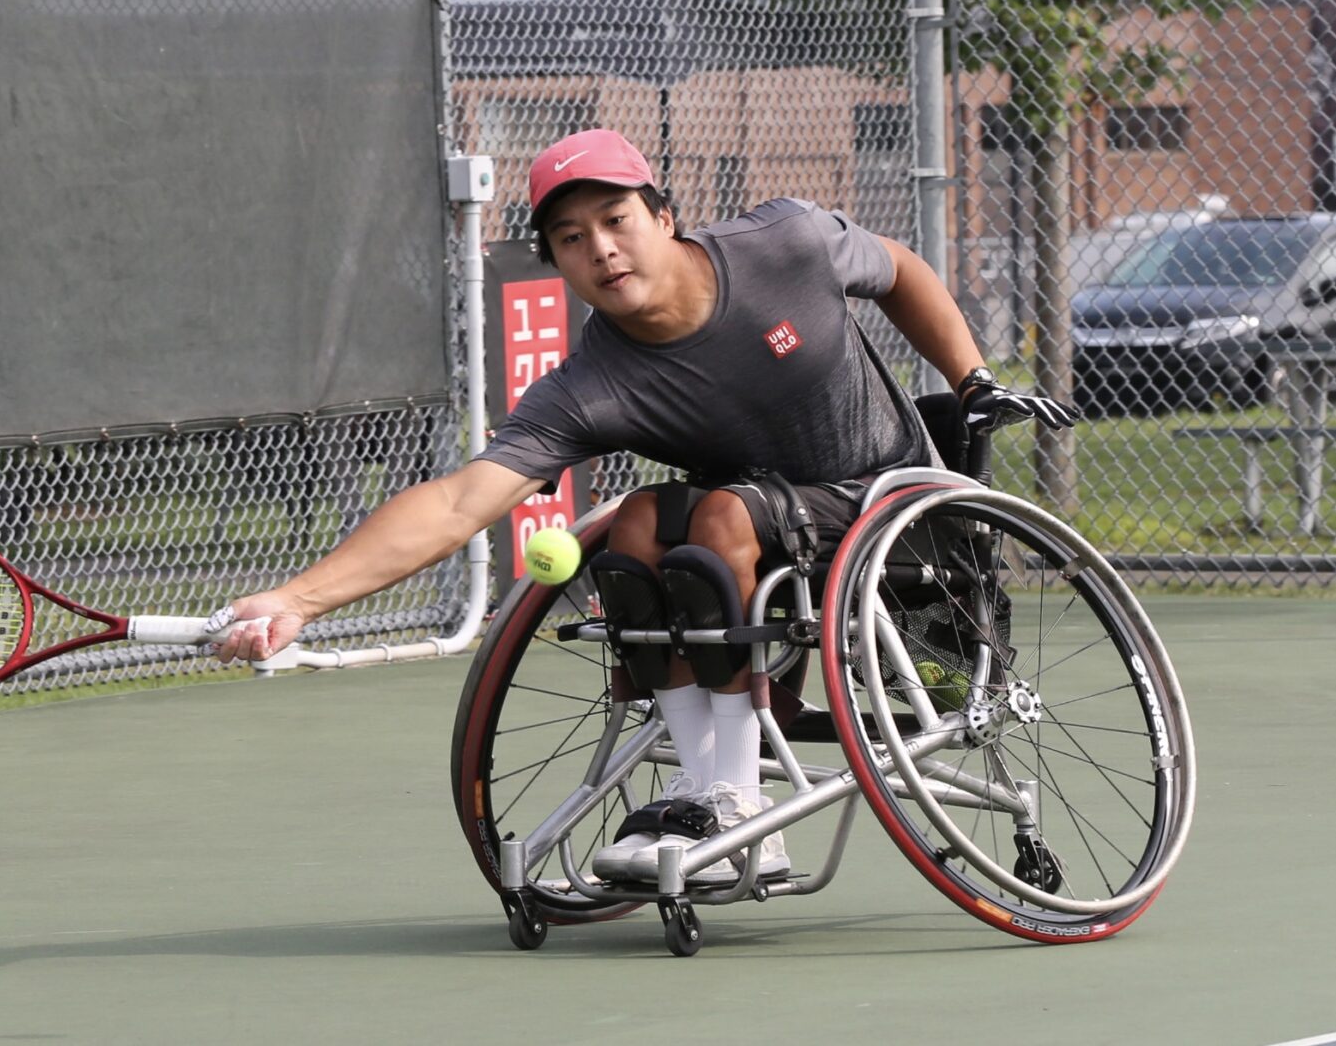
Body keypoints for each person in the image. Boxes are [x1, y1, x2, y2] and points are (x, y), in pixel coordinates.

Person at [209, 128, 1077, 884]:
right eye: (571, 237)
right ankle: (709, 787)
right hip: (757, 531)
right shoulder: (593, 386)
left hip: (889, 500)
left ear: (662, 217)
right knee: (632, 525)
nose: (602, 250)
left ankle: (734, 799)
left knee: (719, 516)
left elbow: (901, 271)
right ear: (558, 265)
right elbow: (455, 502)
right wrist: (294, 601)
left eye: (616, 221)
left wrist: (973, 383)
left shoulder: (787, 244)